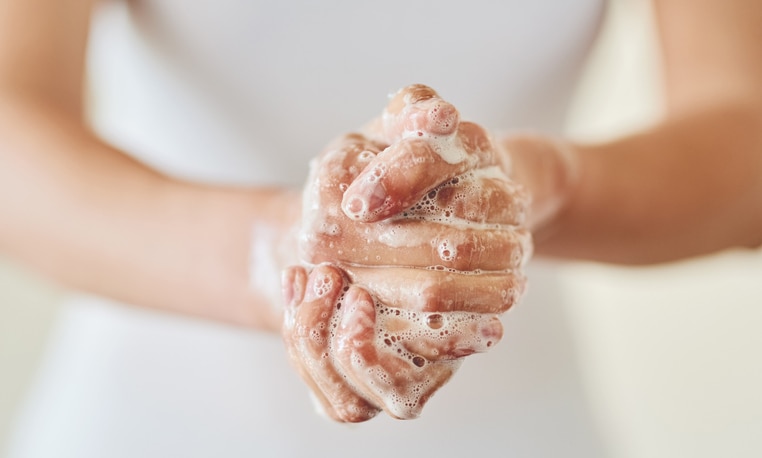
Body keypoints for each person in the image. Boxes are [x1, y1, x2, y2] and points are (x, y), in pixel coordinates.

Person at [1, 0, 760, 456]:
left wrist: (539, 186)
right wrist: (282, 258)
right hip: (148, 427)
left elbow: (745, 141)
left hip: (517, 431)